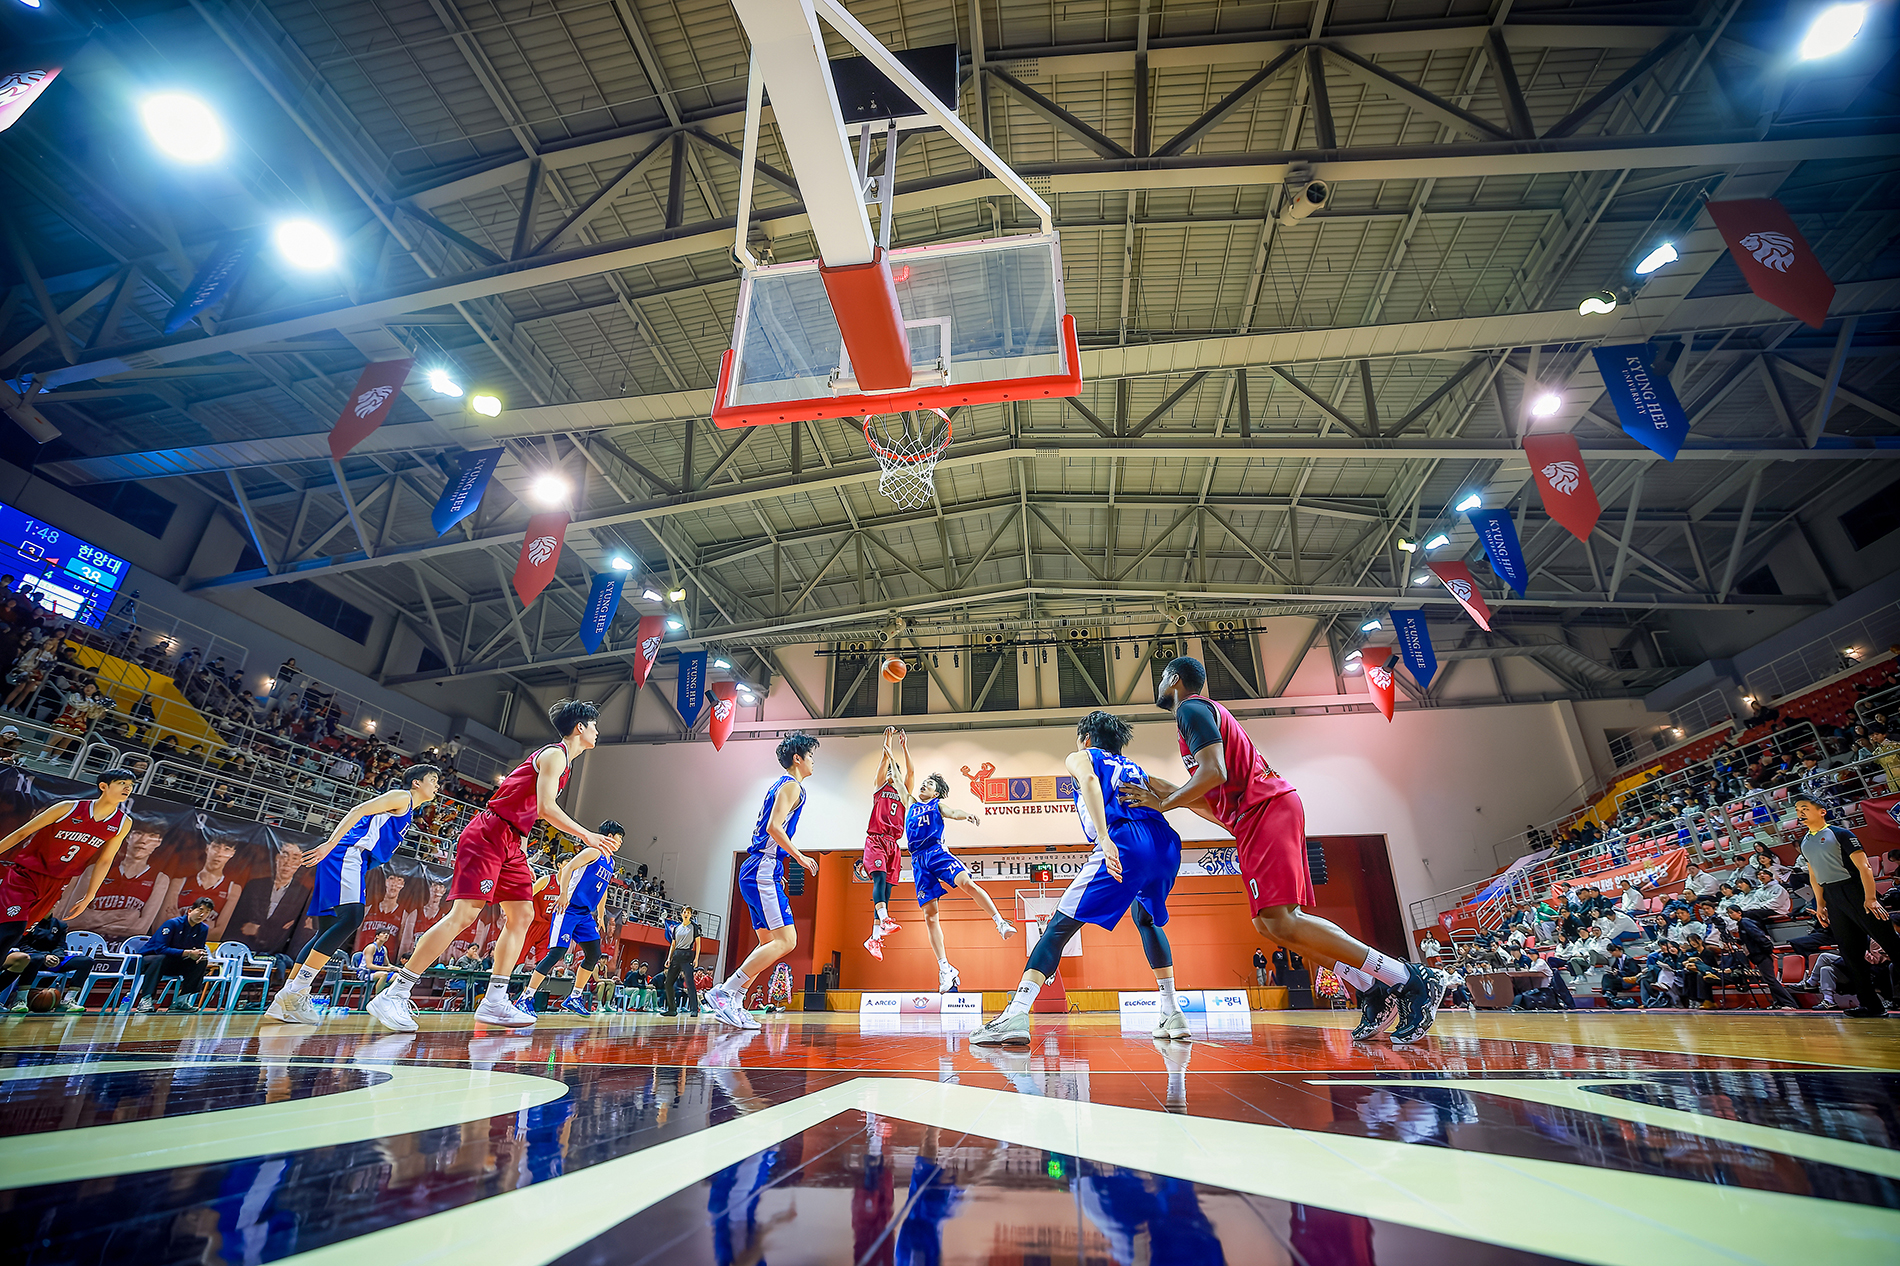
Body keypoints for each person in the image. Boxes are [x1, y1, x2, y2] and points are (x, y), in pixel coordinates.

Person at [1125, 657, 1442, 1043]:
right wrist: (1161, 790)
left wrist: (1164, 803)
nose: (1158, 684)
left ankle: (1407, 978)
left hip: (1267, 807)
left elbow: (1214, 772)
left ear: (1175, 680)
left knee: (1284, 919)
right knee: (1270, 925)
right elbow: (1212, 800)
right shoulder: (1194, 721)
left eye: (1161, 677)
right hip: (1251, 819)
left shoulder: (1191, 709)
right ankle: (1370, 987)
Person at [370, 701, 611, 1033]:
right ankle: (396, 991)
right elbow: (546, 807)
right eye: (594, 725)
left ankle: (494, 1000)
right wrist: (586, 835)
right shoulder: (555, 754)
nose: (597, 731)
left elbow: (530, 811)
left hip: (512, 841)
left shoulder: (565, 764)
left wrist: (521, 853)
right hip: (489, 833)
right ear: (580, 727)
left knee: (522, 915)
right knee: (464, 915)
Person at [973, 711, 1185, 1045]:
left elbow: (1087, 780)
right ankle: (1172, 1011)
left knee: (1058, 928)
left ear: (1085, 738)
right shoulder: (1136, 769)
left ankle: (1016, 1013)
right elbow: (1183, 792)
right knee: (1146, 919)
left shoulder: (1083, 756)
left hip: (1126, 841)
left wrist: (1104, 837)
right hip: (1167, 845)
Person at [264, 765, 440, 1025]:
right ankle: (296, 991)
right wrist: (330, 844)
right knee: (351, 918)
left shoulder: (409, 811)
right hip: (347, 854)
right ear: (416, 783)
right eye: (433, 780)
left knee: (326, 931)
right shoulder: (402, 797)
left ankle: (284, 1002)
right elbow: (358, 810)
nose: (437, 785)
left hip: (352, 859)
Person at [703, 733, 824, 1029]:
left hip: (761, 868)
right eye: (811, 756)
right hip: (762, 867)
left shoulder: (781, 785)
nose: (813, 761)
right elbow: (773, 827)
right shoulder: (792, 785)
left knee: (768, 943)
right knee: (787, 940)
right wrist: (799, 856)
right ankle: (725, 991)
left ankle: (736, 1000)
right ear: (797, 758)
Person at [0, 767, 137, 961]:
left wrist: (90, 895)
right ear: (103, 786)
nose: (127, 788)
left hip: (57, 883)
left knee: (19, 934)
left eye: (130, 785)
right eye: (122, 783)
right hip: (27, 874)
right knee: (11, 927)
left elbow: (105, 860)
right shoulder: (68, 808)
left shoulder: (123, 823)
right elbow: (23, 832)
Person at [903, 768, 1017, 994]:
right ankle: (945, 969)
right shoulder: (911, 804)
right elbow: (901, 779)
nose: (924, 784)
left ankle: (1000, 922)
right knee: (930, 916)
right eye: (924, 782)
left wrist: (967, 815)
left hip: (936, 853)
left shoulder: (936, 806)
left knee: (967, 883)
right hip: (917, 860)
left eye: (930, 783)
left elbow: (954, 812)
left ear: (936, 793)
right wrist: (892, 752)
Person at [1794, 793, 1900, 1017]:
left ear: (1822, 811)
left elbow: (1865, 867)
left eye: (1805, 808)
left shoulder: (1841, 833)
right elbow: (1814, 875)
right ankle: (1871, 1006)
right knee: (1851, 954)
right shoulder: (1805, 842)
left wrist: (1870, 898)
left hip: (1857, 891)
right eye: (1797, 810)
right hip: (1833, 898)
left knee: (1893, 946)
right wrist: (1821, 904)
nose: (1800, 813)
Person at [519, 819, 625, 1017]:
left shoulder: (610, 862)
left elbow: (603, 889)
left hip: (585, 914)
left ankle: (574, 997)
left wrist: (601, 914)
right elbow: (568, 869)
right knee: (556, 953)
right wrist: (563, 894)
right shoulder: (593, 852)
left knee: (594, 954)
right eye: (619, 838)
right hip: (568, 908)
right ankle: (525, 997)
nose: (621, 842)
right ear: (609, 836)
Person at [861, 727, 910, 961]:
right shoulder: (880, 787)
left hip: (894, 845)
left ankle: (874, 938)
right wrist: (888, 741)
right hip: (876, 839)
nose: (891, 773)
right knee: (879, 879)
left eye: (894, 771)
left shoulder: (904, 792)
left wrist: (905, 747)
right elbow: (883, 761)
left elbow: (911, 771)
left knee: (887, 891)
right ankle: (884, 919)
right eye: (890, 770)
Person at [133, 897, 217, 1013]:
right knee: (160, 959)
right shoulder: (172, 924)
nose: (202, 915)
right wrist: (188, 953)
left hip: (173, 963)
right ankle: (146, 999)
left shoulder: (203, 929)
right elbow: (160, 949)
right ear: (190, 911)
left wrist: (199, 955)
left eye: (207, 912)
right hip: (149, 961)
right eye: (200, 910)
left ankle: (182, 1000)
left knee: (200, 962)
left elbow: (198, 948)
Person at [226, 843, 309, 955]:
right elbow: (239, 922)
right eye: (285, 856)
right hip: (244, 948)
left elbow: (293, 931)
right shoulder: (254, 886)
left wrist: (259, 931)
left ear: (300, 863)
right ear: (277, 858)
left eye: (294, 858)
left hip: (278, 952)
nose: (288, 862)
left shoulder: (303, 894)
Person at [1, 915, 94, 1012]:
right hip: (33, 957)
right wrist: (45, 956)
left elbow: (60, 945)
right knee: (36, 959)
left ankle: (68, 1001)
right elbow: (22, 945)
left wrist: (57, 957)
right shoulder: (29, 922)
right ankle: (20, 1000)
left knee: (86, 961)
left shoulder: (60, 925)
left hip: (53, 959)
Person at [660, 906, 701, 1017]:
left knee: (690, 983)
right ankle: (672, 1009)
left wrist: (696, 958)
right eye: (684, 912)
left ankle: (694, 1009)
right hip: (676, 956)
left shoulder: (694, 927)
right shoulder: (676, 928)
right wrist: (669, 958)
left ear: (691, 915)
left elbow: (698, 944)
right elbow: (673, 945)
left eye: (688, 912)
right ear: (681, 914)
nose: (686, 914)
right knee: (668, 983)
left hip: (687, 955)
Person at [354, 930, 398, 995]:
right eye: (383, 933)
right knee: (384, 974)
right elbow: (369, 965)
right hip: (365, 973)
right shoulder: (371, 947)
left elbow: (387, 964)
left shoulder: (384, 949)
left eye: (388, 934)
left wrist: (397, 969)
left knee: (397, 976)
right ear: (377, 936)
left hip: (377, 972)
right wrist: (385, 969)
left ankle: (386, 994)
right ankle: (377, 996)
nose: (386, 935)